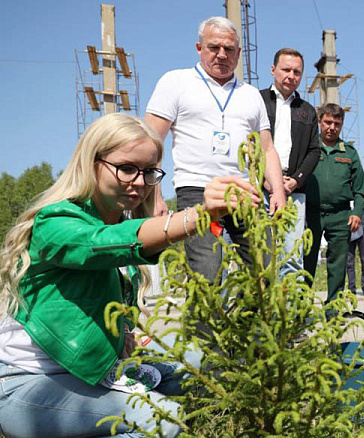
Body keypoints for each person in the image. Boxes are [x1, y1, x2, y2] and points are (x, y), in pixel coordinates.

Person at [0, 113, 260, 437]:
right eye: (126, 168)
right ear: (91, 162)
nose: (138, 182)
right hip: (29, 385)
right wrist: (200, 216)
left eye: (149, 172)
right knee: (163, 418)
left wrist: (122, 338)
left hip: (92, 373)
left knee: (199, 364)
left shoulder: (116, 223)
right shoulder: (55, 221)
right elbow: (100, 245)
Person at [145, 16, 285, 284]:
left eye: (229, 49)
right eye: (214, 47)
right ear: (199, 48)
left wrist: (277, 191)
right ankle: (205, 327)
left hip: (245, 192)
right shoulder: (176, 82)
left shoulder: (251, 94)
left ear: (239, 53)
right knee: (206, 274)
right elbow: (150, 141)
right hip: (196, 189)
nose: (222, 54)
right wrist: (154, 196)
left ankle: (250, 325)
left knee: (264, 271)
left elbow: (267, 148)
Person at [260, 48, 320, 277]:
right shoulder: (257, 100)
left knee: (292, 257)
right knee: (259, 254)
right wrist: (267, 180)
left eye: (297, 72)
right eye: (286, 69)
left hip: (293, 192)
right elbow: (248, 144)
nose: (291, 76)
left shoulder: (307, 111)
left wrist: (295, 181)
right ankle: (261, 310)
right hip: (259, 190)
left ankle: (291, 311)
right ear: (274, 69)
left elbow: (314, 151)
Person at [304, 103, 364, 303]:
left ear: (341, 125)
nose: (332, 127)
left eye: (336, 124)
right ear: (320, 122)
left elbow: (361, 188)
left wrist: (357, 212)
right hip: (310, 214)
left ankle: (333, 308)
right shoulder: (309, 149)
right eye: (327, 122)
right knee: (306, 262)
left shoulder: (348, 152)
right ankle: (300, 307)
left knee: (338, 265)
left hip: (340, 216)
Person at [346, 192, 364, 296]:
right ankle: (351, 288)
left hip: (363, 232)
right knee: (349, 263)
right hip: (349, 232)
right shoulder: (346, 193)